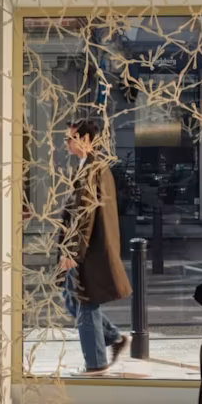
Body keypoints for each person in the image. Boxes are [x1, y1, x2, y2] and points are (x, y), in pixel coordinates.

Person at [58, 119, 133, 376]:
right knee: (71, 299)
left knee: (84, 303)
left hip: (88, 251)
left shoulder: (93, 169)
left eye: (70, 138)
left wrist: (72, 253)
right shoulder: (88, 167)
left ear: (86, 140)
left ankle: (96, 364)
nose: (66, 143)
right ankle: (112, 338)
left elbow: (85, 216)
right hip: (87, 249)